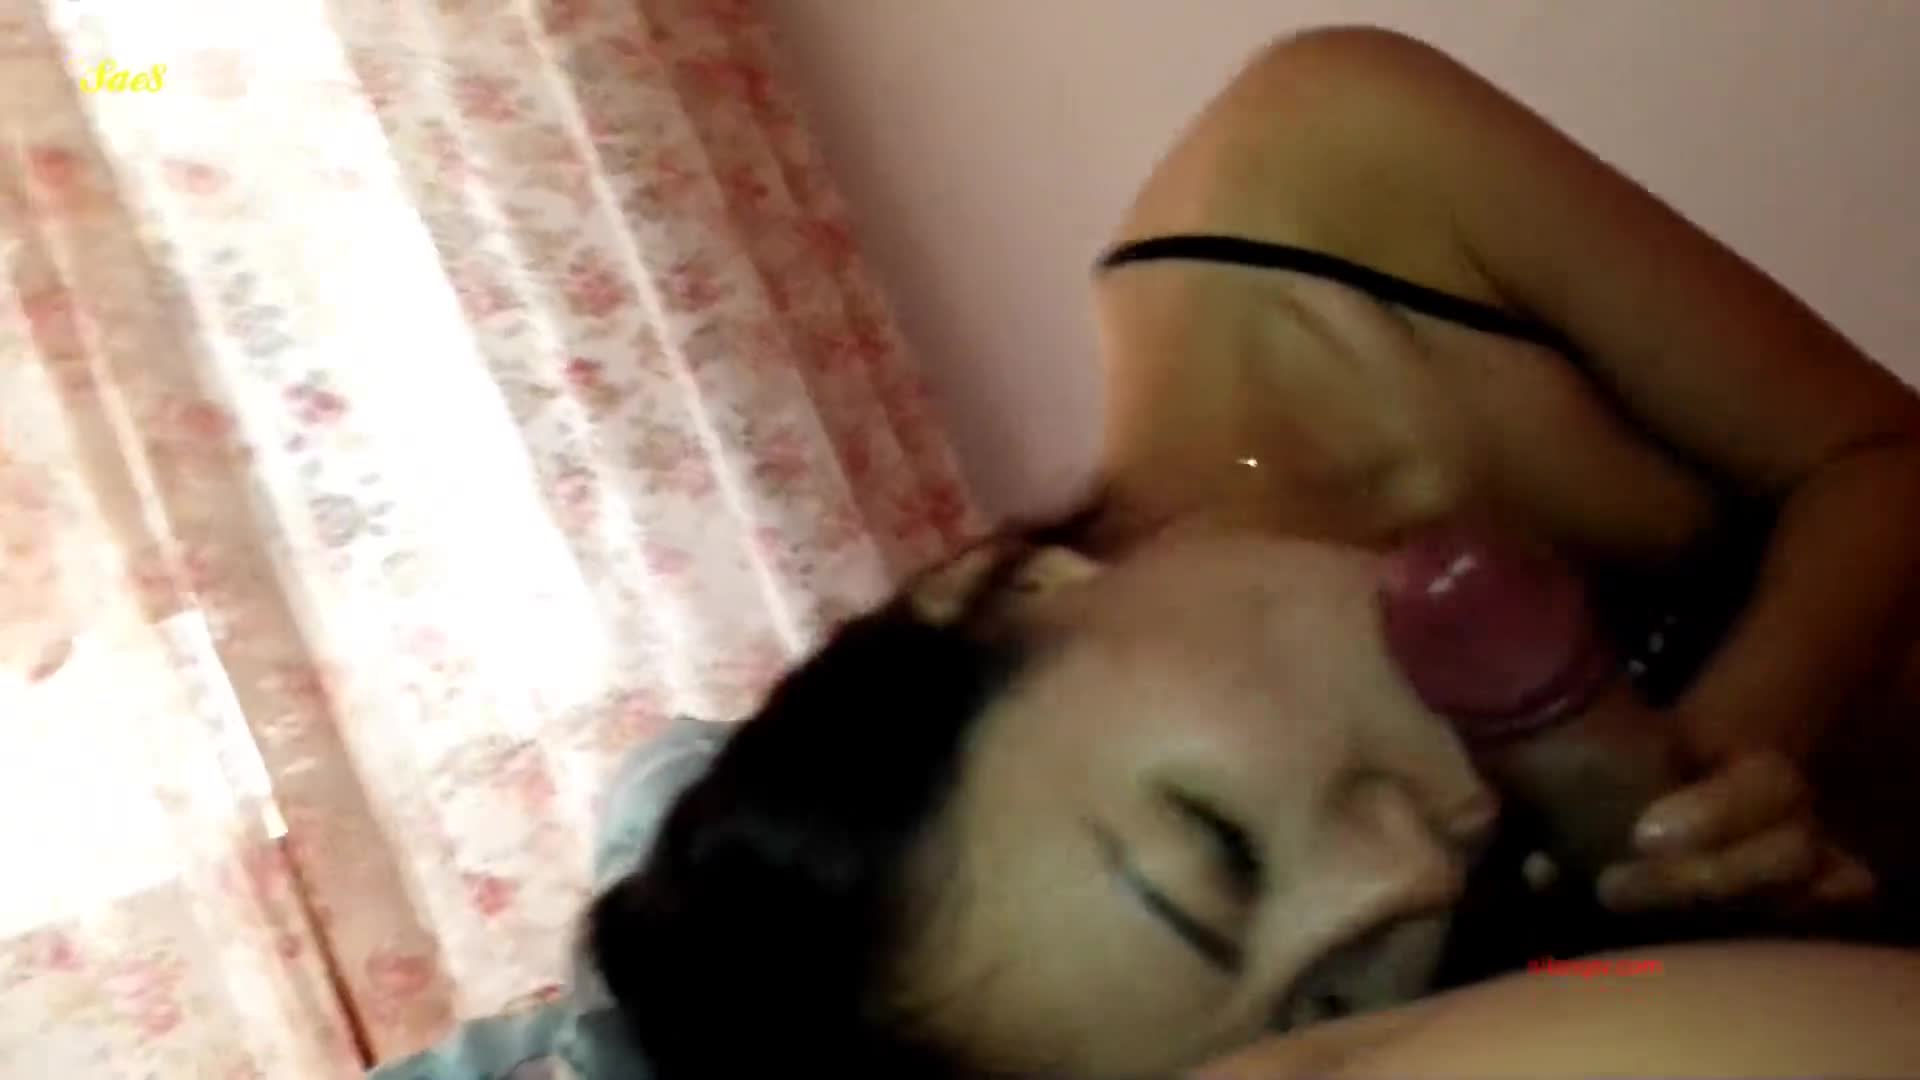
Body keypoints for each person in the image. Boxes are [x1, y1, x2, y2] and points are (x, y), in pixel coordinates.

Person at [372, 25, 1920, 1079]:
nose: (1407, 878)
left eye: (1218, 848)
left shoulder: (1322, 171)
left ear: (997, 592)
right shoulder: (1467, 953)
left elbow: (1879, 452)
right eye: (1329, 1007)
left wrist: (1728, 754)